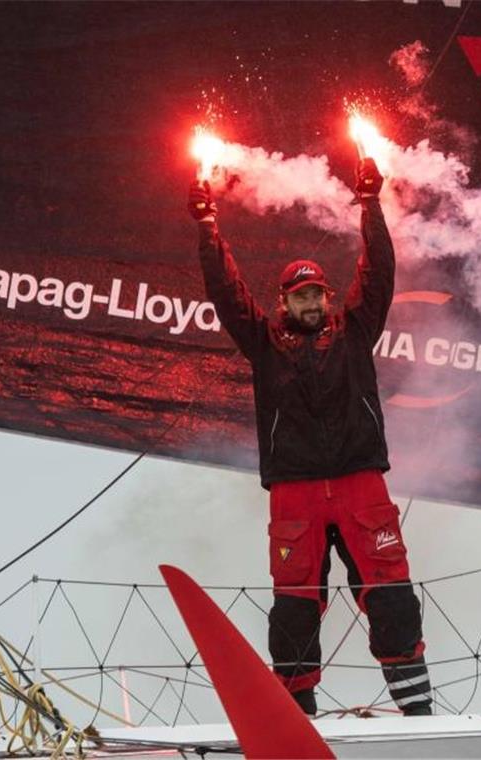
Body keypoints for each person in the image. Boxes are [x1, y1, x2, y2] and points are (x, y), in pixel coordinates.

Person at [187, 159, 432, 717]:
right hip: (294, 493)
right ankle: (298, 719)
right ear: (284, 301)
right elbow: (226, 290)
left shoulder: (355, 332)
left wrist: (370, 203)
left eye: (318, 293)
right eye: (301, 296)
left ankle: (419, 715)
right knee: (294, 606)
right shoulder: (263, 343)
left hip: (360, 483)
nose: (312, 303)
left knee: (392, 594)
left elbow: (379, 274)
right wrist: (207, 225)